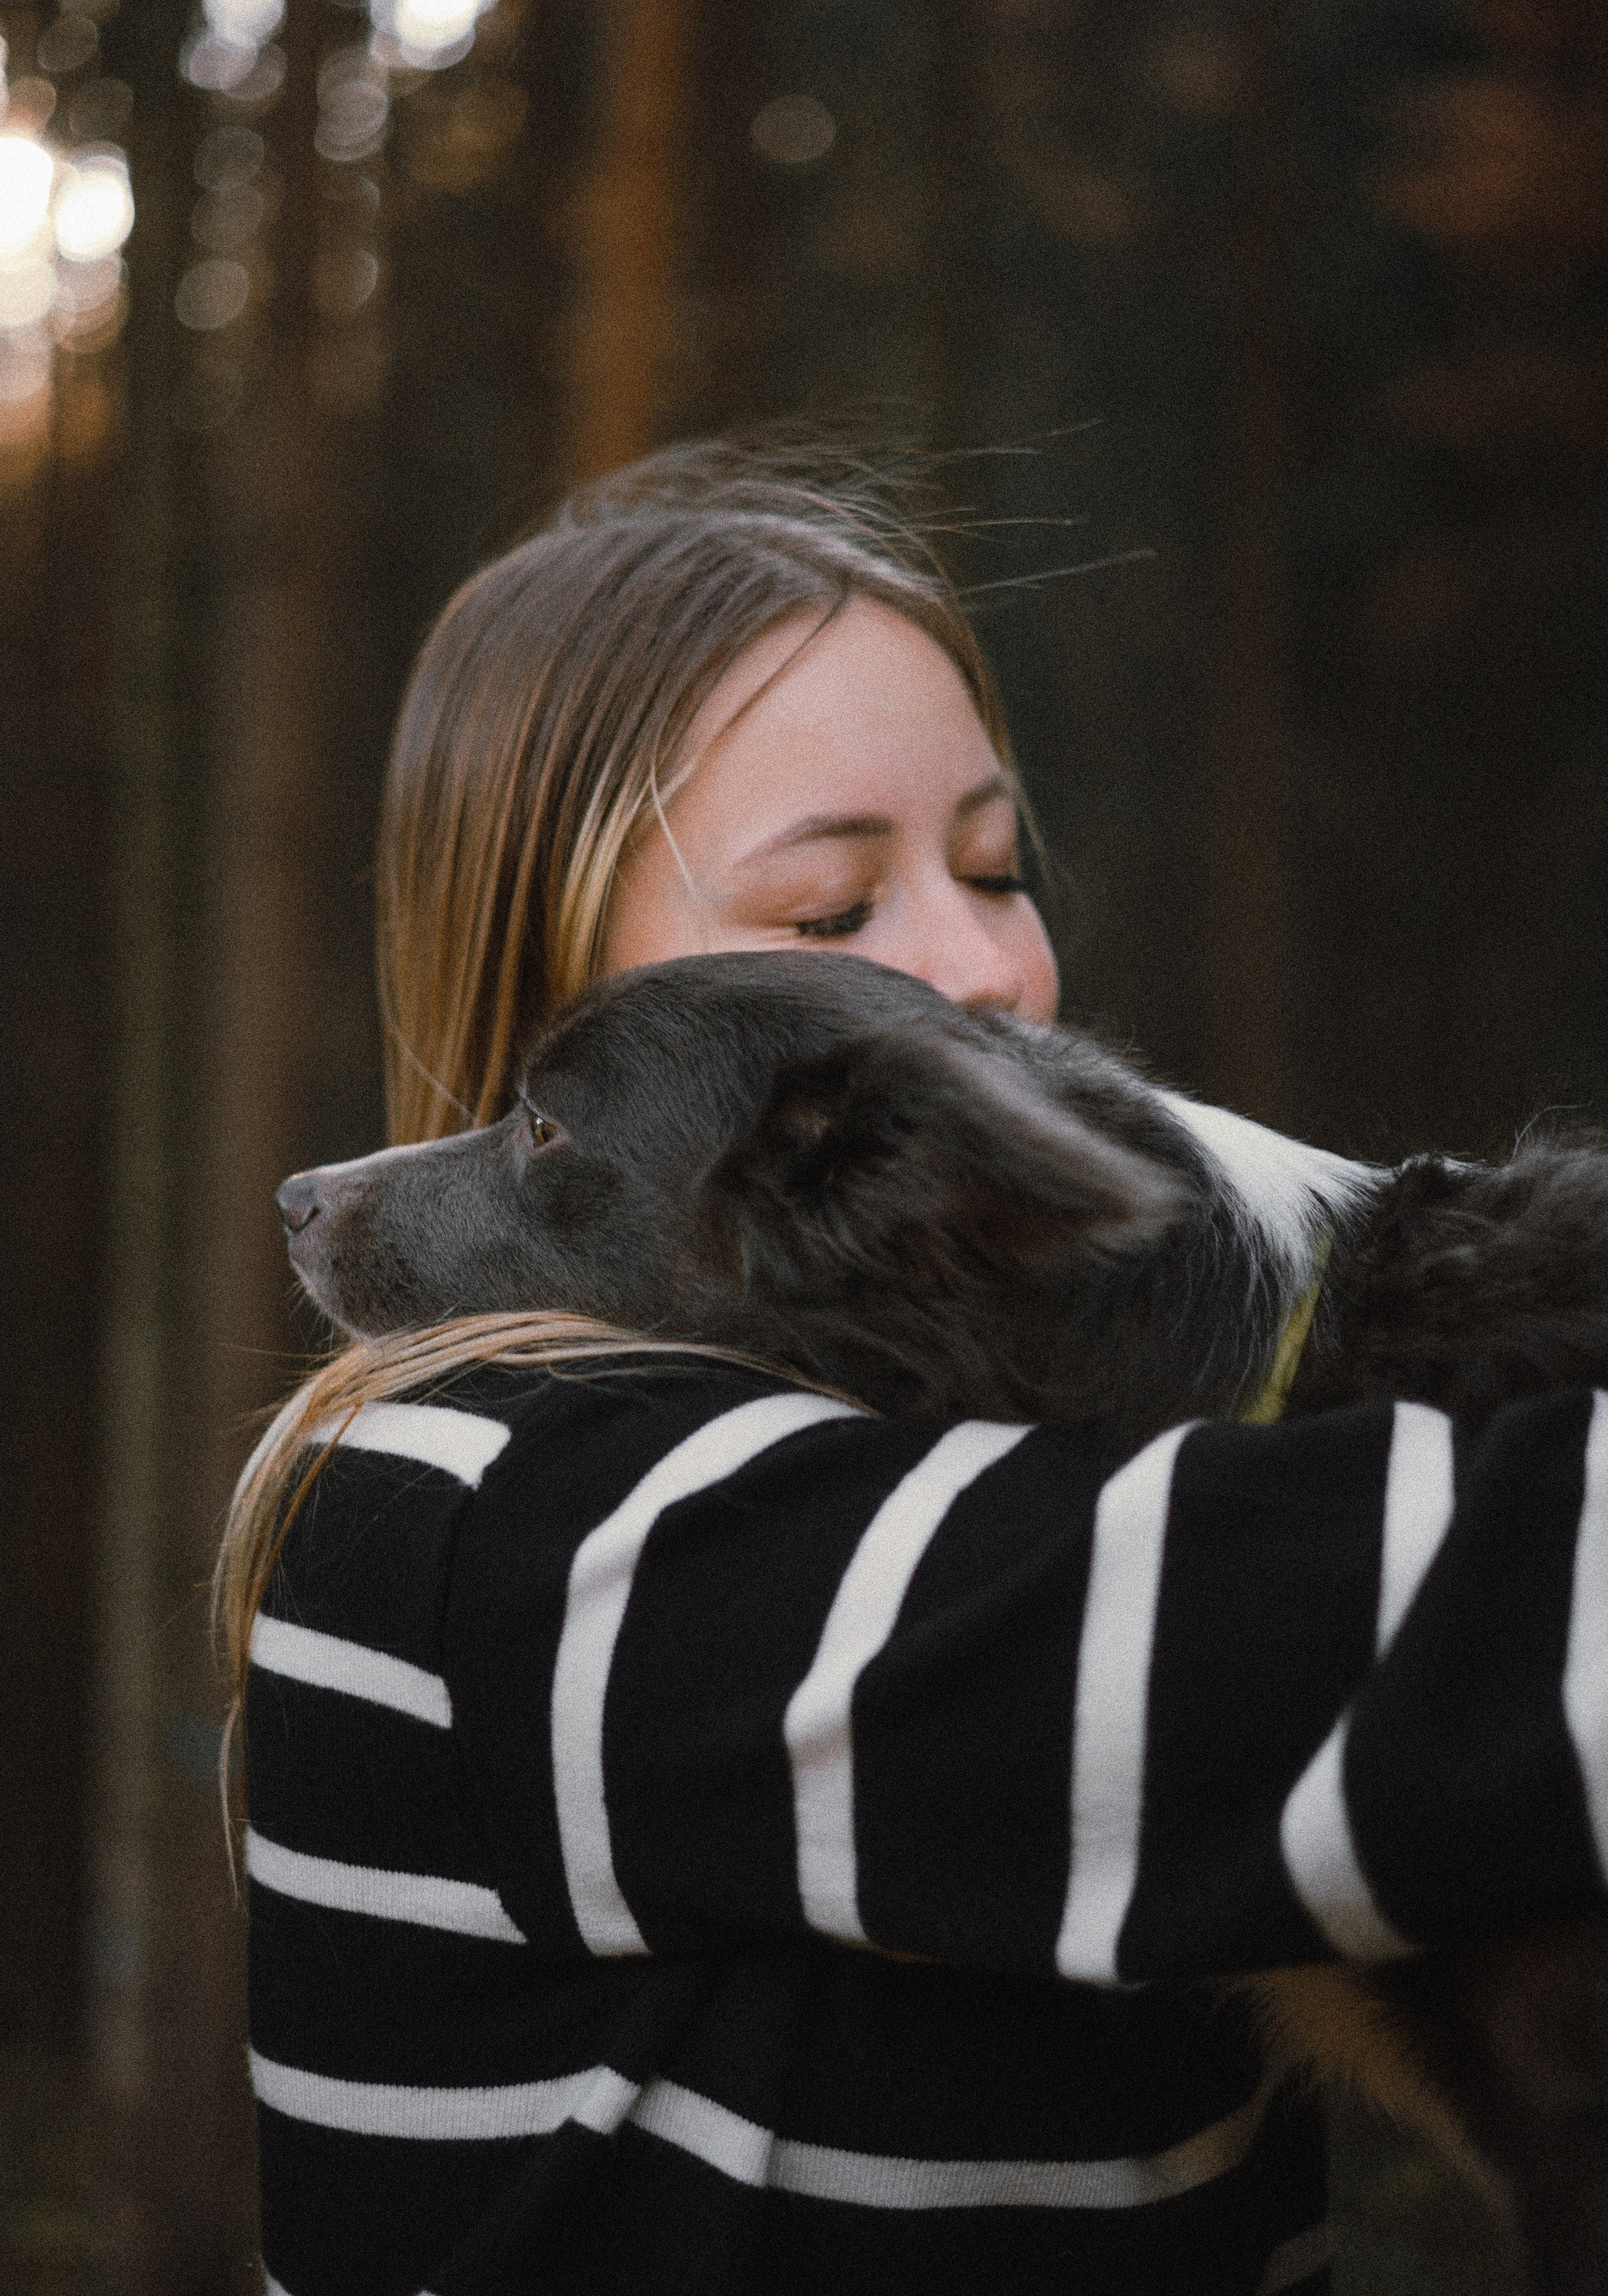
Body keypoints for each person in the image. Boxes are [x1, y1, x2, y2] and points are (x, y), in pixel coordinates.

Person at [225, 439, 1608, 2296]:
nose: (981, 970)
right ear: (556, 999)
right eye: (827, 919)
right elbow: (1512, 1628)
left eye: (993, 860)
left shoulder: (971, 1458)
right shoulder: (517, 1507)